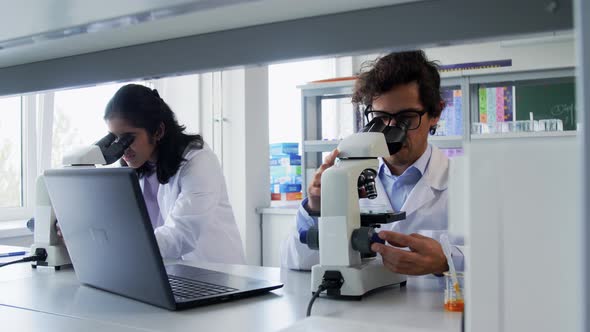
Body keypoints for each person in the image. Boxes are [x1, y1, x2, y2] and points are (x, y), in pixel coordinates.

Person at [281, 51, 463, 275]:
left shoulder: (467, 184)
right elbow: (296, 261)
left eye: (406, 119)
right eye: (380, 117)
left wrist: (447, 259)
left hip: (433, 308)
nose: (390, 129)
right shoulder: (350, 176)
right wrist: (316, 209)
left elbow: (504, 259)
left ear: (435, 114)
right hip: (362, 307)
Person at [104, 84, 245, 264]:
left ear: (158, 131)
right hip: (168, 271)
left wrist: (123, 246)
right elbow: (111, 220)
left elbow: (180, 233)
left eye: (128, 138)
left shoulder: (199, 161)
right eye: (114, 138)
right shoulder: (132, 167)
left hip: (216, 274)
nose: (122, 148)